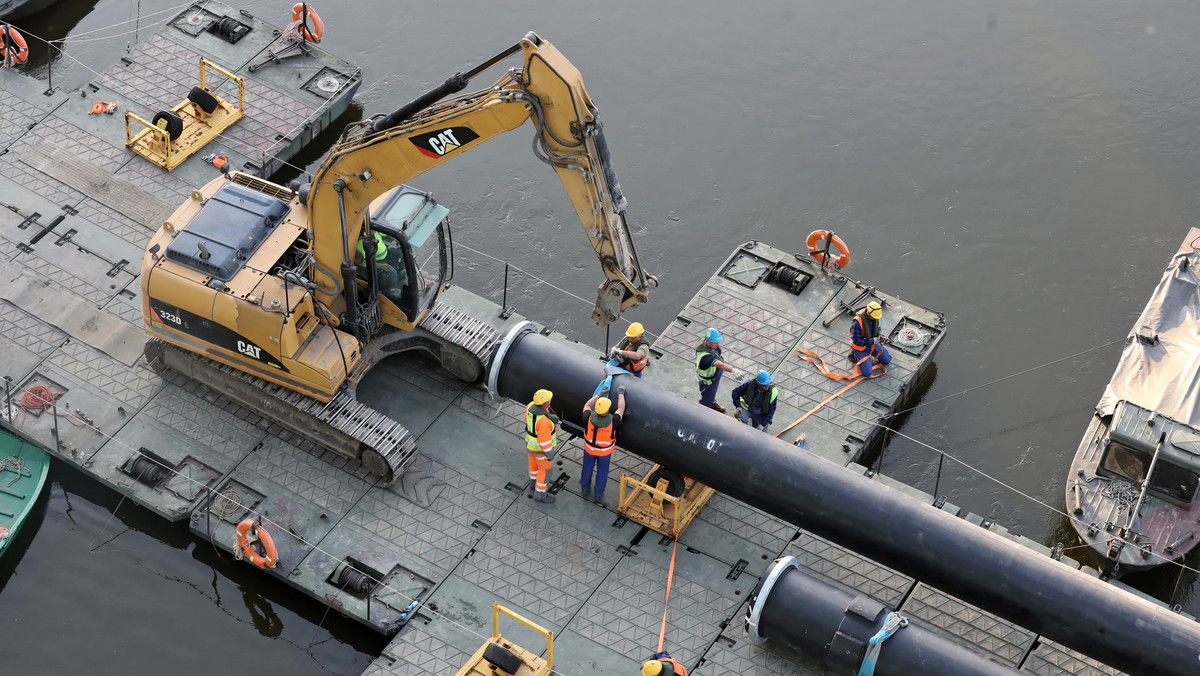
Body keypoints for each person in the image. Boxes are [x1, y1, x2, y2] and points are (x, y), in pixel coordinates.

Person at [580, 388, 626, 503]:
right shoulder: (613, 421)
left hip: (589, 450)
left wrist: (598, 395)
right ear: (607, 410)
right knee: (602, 472)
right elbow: (621, 408)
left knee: (587, 467)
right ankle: (598, 494)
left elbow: (587, 405)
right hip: (604, 453)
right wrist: (621, 394)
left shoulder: (588, 417)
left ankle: (585, 488)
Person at [524, 389, 559, 504]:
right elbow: (544, 441)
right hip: (540, 450)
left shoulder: (530, 406)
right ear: (546, 404)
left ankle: (532, 484)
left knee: (533, 466)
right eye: (549, 400)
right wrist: (550, 454)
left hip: (530, 445)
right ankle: (540, 495)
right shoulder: (543, 421)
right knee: (545, 472)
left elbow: (527, 420)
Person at [695, 328, 739, 413]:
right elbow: (719, 364)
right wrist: (733, 370)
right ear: (707, 341)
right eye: (715, 342)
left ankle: (713, 403)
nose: (718, 344)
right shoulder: (705, 357)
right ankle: (702, 410)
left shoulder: (709, 345)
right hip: (708, 383)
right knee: (707, 398)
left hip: (714, 377)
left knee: (711, 395)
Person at [850, 301, 892, 377]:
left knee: (887, 360)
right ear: (868, 313)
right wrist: (872, 341)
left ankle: (870, 354)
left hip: (872, 344)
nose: (875, 318)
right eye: (874, 317)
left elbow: (877, 328)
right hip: (861, 347)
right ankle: (855, 355)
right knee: (867, 372)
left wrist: (879, 337)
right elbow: (856, 341)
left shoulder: (874, 318)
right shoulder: (857, 323)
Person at [356, 230, 401, 295]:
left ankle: (403, 272)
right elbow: (363, 262)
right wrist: (381, 266)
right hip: (378, 262)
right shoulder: (361, 243)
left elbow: (387, 234)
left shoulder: (376, 232)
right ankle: (391, 289)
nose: (376, 229)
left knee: (400, 253)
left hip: (386, 255)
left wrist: (398, 239)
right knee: (392, 271)